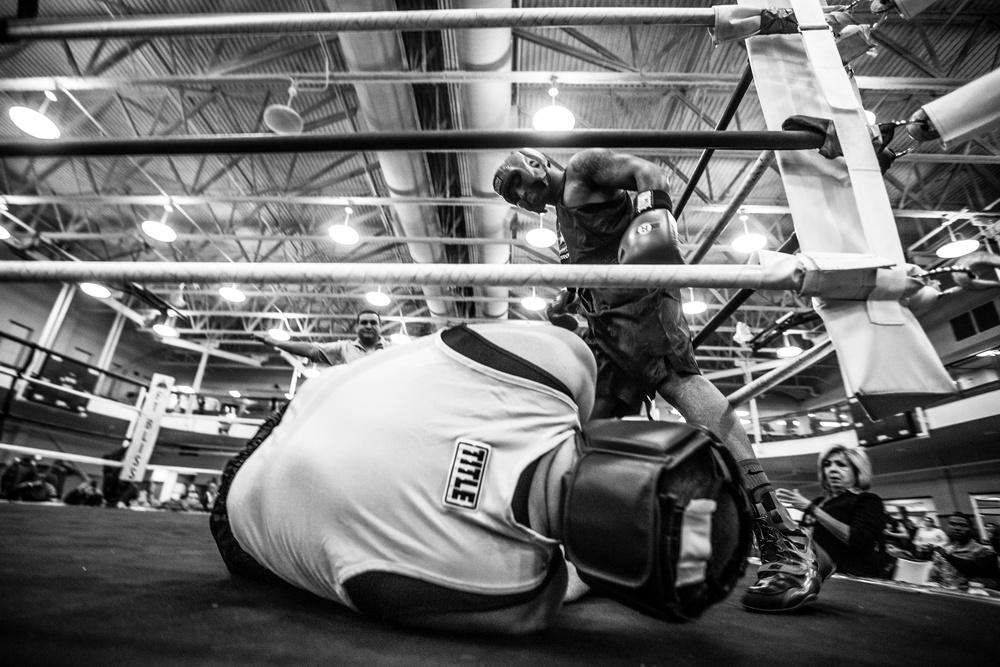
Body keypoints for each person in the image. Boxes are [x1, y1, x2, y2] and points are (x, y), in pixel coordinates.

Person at [211, 323, 751, 635]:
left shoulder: (556, 363)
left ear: (647, 442)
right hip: (242, 512)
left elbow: (589, 421)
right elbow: (574, 582)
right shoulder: (513, 599)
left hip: (306, 401)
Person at [493, 147, 820, 612]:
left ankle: (782, 536)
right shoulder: (565, 213)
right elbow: (595, 255)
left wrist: (653, 225)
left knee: (679, 381)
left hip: (644, 303)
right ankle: (582, 555)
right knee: (587, 426)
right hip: (606, 328)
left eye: (519, 184)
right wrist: (570, 296)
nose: (523, 198)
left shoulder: (583, 170)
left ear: (537, 164)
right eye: (514, 197)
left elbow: (646, 172)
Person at [775, 445, 890, 579]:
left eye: (841, 465)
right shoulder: (818, 502)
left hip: (853, 578)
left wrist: (812, 509)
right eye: (827, 465)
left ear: (857, 471)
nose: (832, 469)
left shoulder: (867, 501)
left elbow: (859, 540)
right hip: (816, 576)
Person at [256, 310, 389, 367]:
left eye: (373, 323)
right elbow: (311, 349)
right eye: (364, 323)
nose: (368, 326)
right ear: (356, 328)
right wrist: (276, 342)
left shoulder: (394, 349)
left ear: (380, 327)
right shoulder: (343, 348)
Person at [928, 512, 999, 591]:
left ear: (971, 528)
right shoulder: (942, 551)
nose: (957, 528)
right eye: (953, 524)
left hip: (972, 599)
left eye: (963, 525)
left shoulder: (984, 552)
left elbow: (994, 583)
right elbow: (933, 579)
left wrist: (972, 584)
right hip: (945, 597)